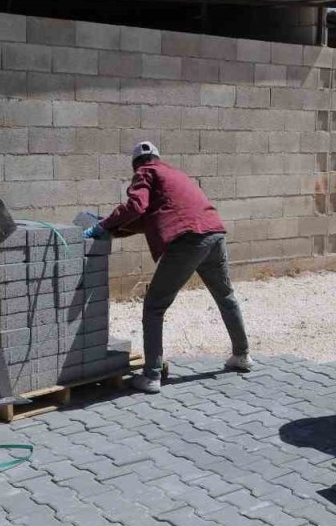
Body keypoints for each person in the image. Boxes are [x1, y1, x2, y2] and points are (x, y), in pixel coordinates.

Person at [83, 141, 250, 393]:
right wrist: (114, 230)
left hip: (189, 240)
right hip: (214, 233)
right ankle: (242, 355)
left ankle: (151, 375)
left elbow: (136, 206)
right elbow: (147, 219)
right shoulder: (173, 174)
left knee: (154, 306)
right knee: (225, 296)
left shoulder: (146, 172)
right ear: (158, 157)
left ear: (136, 164)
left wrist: (102, 226)